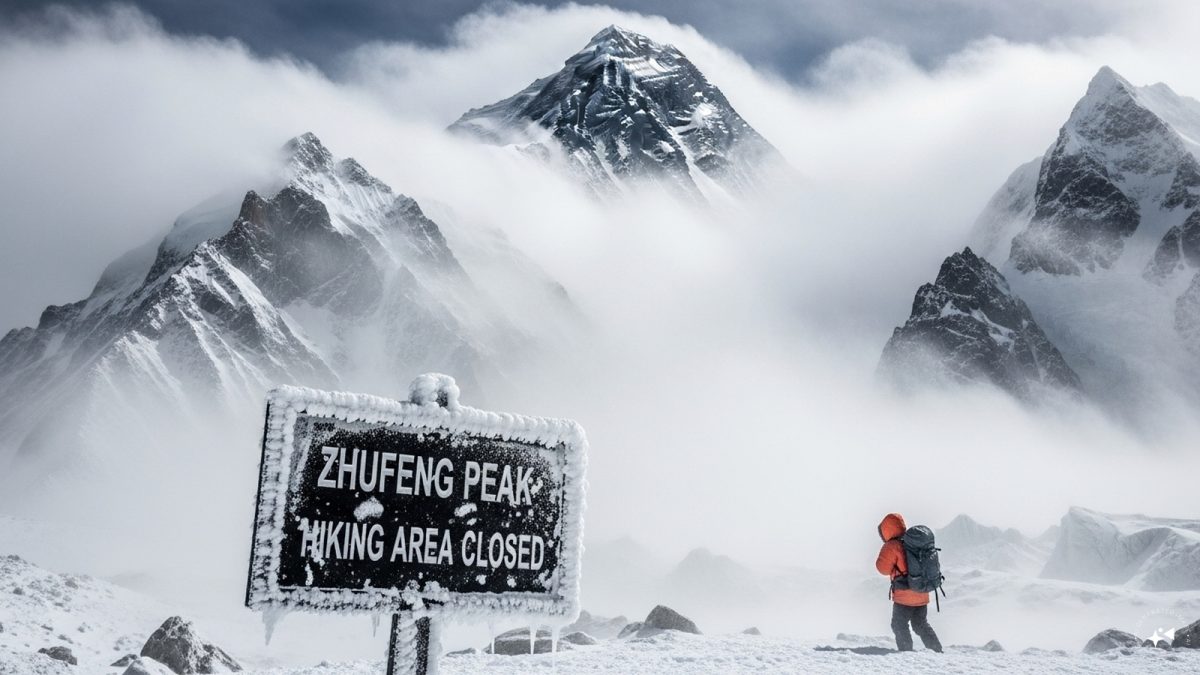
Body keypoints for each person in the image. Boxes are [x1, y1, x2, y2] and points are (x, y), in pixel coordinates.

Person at [876, 512, 943, 653]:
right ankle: (936, 649)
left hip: (903, 597)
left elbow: (882, 568)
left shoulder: (892, 546)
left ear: (886, 530)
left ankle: (906, 652)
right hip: (922, 591)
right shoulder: (913, 543)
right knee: (920, 624)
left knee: (899, 624)